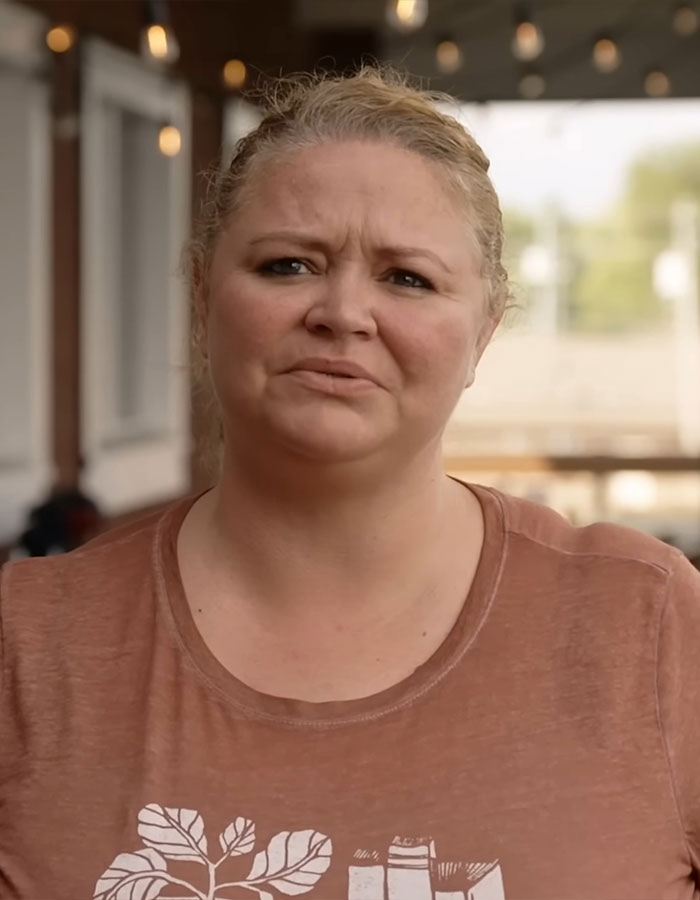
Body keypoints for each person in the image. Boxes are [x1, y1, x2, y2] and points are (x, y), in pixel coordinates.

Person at [1, 67, 699, 900]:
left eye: (408, 278)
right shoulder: (28, 645)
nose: (342, 311)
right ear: (200, 294)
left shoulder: (643, 623)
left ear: (483, 330)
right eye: (289, 265)